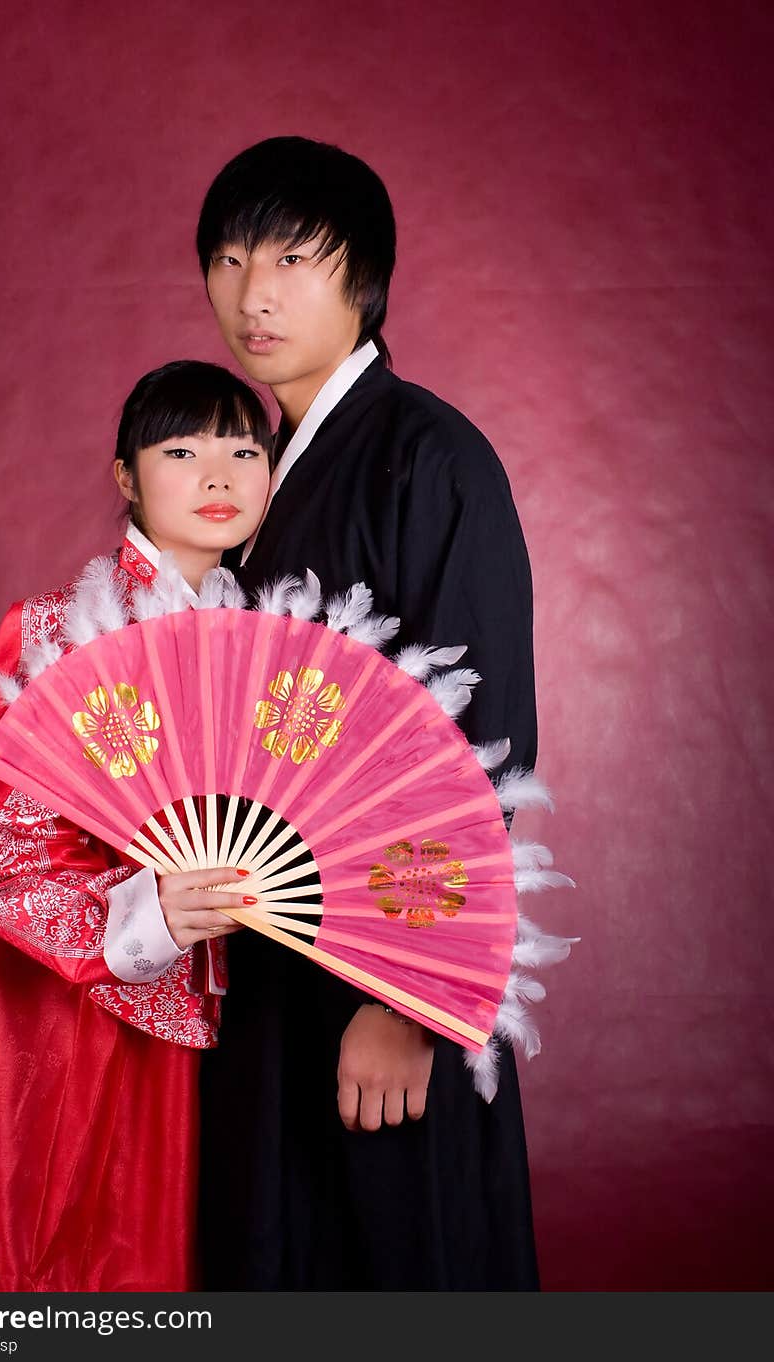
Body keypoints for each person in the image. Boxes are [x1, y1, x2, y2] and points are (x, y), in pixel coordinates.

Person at [195, 137, 540, 1290]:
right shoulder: (250, 484)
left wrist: (409, 1000)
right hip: (268, 960)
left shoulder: (428, 459)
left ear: (363, 281)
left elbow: (479, 747)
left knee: (398, 1265)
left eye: (294, 257)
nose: (256, 294)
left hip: (383, 978)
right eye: (233, 259)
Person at [0, 360, 272, 1291]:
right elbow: (6, 859)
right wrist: (153, 911)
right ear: (125, 477)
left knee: (136, 1253)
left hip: (169, 997)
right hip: (32, 998)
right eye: (182, 450)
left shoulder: (264, 642)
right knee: (32, 1246)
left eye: (244, 449)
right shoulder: (60, 630)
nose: (219, 476)